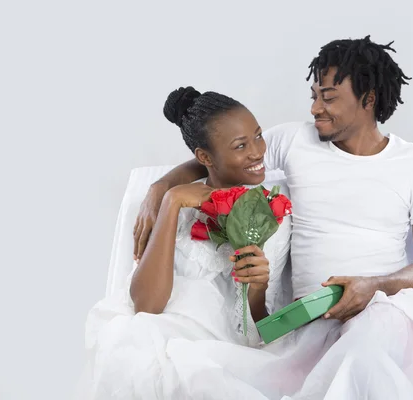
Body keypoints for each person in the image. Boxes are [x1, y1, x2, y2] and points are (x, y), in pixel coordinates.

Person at [133, 36, 413, 399]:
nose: (315, 108)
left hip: (383, 312)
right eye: (314, 96)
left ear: (368, 100)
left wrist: (374, 286)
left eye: (329, 97)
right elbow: (223, 156)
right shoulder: (294, 141)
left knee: (363, 353)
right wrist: (161, 188)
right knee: (215, 379)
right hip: (310, 325)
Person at [78, 87, 292, 399]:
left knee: (191, 372)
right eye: (240, 145)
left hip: (224, 347)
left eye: (258, 136)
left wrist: (257, 288)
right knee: (138, 345)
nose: (258, 151)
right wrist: (172, 200)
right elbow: (147, 307)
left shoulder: (273, 213)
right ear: (204, 157)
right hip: (155, 335)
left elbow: (256, 334)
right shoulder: (173, 205)